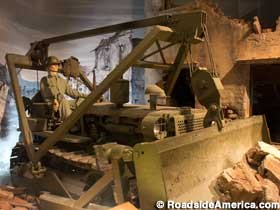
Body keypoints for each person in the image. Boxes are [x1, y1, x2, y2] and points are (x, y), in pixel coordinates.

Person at [40, 56, 87, 121]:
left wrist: (89, 96)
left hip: (61, 102)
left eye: (57, 64)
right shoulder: (45, 80)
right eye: (53, 64)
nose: (56, 66)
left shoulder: (62, 81)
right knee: (63, 101)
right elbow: (50, 90)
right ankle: (70, 123)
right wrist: (56, 99)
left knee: (82, 101)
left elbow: (73, 93)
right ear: (48, 66)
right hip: (51, 104)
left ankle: (81, 121)